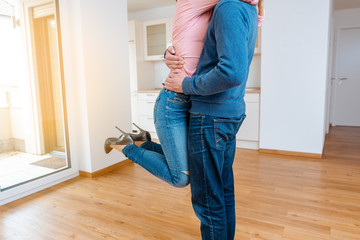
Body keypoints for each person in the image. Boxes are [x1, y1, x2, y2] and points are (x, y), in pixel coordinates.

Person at [105, 0, 263, 192]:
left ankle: (141, 141)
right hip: (175, 100)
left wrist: (259, 8)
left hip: (196, 97)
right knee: (180, 176)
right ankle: (125, 146)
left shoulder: (216, 11)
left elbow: (250, 20)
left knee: (192, 162)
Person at [163, 0, 262, 239]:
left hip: (210, 115)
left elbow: (232, 72)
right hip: (228, 114)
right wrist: (167, 52)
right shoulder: (248, 9)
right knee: (223, 191)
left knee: (208, 200)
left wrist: (185, 84)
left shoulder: (229, 8)